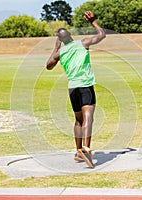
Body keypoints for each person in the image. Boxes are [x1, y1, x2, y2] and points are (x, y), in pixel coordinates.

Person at [46, 11, 106, 168]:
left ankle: (78, 151)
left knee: (79, 120)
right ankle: (86, 150)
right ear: (70, 35)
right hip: (85, 85)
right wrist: (93, 21)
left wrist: (55, 48)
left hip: (72, 88)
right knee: (88, 118)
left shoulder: (61, 52)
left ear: (60, 40)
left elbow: (48, 66)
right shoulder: (83, 43)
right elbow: (102, 35)